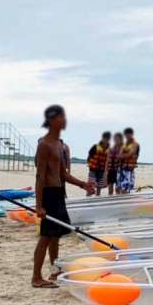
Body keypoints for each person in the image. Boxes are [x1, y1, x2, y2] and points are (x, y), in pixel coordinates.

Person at [32, 105, 92, 288]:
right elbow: (40, 176)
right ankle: (36, 277)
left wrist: (83, 184)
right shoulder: (44, 145)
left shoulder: (59, 145)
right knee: (46, 236)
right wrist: (39, 205)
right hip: (48, 194)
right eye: (61, 118)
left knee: (56, 235)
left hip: (58, 194)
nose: (64, 121)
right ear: (51, 121)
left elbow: (63, 174)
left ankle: (55, 270)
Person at [86, 132, 111, 196]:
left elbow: (108, 162)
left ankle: (97, 198)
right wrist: (90, 164)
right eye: (105, 139)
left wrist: (106, 173)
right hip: (93, 169)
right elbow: (89, 156)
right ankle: (88, 198)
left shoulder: (109, 149)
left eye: (107, 139)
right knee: (91, 186)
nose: (106, 140)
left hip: (101, 170)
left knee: (99, 187)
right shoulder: (95, 146)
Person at [117, 128, 140, 193]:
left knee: (127, 186)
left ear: (131, 134)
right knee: (120, 186)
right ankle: (120, 200)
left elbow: (131, 153)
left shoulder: (135, 144)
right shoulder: (124, 145)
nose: (127, 136)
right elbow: (120, 154)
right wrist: (122, 155)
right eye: (126, 135)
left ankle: (125, 197)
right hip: (122, 168)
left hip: (129, 169)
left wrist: (122, 155)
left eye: (128, 134)